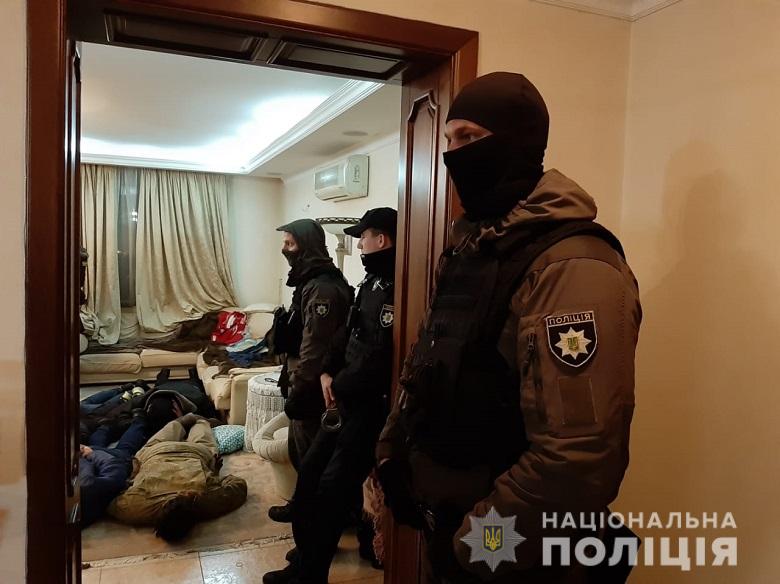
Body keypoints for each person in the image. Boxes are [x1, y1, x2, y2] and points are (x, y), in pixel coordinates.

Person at [375, 72, 642, 583]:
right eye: (449, 139)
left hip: (512, 557)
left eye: (470, 137)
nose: (453, 155)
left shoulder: (574, 266)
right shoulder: (470, 249)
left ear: (519, 144)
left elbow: (578, 459)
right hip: (452, 532)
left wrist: (476, 547)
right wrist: (391, 452)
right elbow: (426, 361)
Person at [263, 208, 397, 584]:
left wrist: (334, 383)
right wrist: (327, 370)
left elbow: (377, 355)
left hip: (365, 406)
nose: (359, 244)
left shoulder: (396, 288)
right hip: (345, 398)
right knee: (309, 479)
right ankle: (305, 560)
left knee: (330, 491)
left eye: (363, 237)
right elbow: (345, 336)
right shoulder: (370, 283)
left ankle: (311, 571)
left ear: (381, 239)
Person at [267, 219, 352, 523]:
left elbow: (315, 347)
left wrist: (301, 388)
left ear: (307, 246)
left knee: (314, 459)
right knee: (300, 453)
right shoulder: (308, 281)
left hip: (314, 387)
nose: (285, 249)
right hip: (302, 380)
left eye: (290, 244)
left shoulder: (323, 288)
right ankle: (303, 506)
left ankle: (317, 521)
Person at [107, 413, 247, 541]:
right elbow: (111, 496)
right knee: (184, 426)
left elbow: (237, 485)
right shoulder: (134, 508)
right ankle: (192, 420)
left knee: (201, 432)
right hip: (159, 452)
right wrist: (133, 477)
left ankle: (197, 421)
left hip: (188, 452)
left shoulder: (208, 499)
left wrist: (213, 475)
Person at [79, 416, 150, 526]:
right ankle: (139, 419)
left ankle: (106, 426)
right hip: (109, 465)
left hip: (95, 463)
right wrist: (90, 454)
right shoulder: (84, 486)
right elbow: (114, 473)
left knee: (96, 445)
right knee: (124, 451)